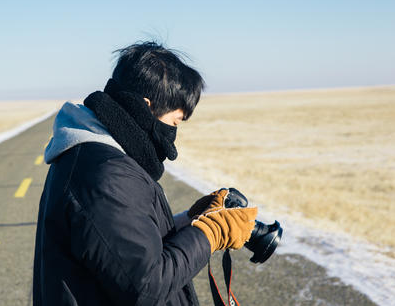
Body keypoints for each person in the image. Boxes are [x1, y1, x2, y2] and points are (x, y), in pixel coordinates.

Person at [33, 41, 257, 305]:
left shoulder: (101, 159)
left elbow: (118, 247)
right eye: (175, 122)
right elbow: (146, 285)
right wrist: (212, 232)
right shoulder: (106, 175)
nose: (173, 135)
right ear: (146, 107)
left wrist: (190, 220)